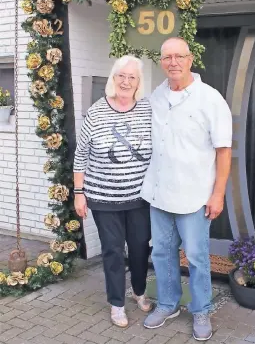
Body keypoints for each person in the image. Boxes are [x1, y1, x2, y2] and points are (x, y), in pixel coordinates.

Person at [141, 37, 232, 341]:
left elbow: (223, 151)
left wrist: (218, 193)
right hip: (159, 193)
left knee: (196, 255)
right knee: (163, 252)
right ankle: (167, 304)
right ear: (161, 62)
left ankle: (201, 309)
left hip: (195, 196)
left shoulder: (210, 99)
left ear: (191, 59)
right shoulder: (156, 96)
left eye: (179, 56)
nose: (173, 62)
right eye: (167, 57)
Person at [73, 55, 153, 328]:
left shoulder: (147, 110)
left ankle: (139, 291)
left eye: (132, 77)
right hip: (104, 199)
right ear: (113, 78)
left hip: (140, 198)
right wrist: (79, 192)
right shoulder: (96, 112)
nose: (126, 81)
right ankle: (117, 303)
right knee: (113, 251)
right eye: (121, 75)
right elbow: (80, 154)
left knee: (141, 247)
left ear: (138, 83)